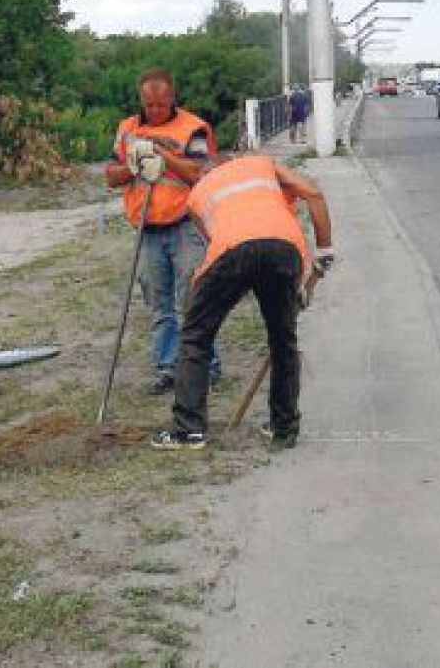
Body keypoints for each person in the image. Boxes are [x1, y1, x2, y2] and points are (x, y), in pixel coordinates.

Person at [151, 154, 334, 451]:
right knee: (283, 340)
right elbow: (313, 193)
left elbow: (219, 244)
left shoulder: (197, 195)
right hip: (283, 248)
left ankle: (189, 430)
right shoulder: (261, 164)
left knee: (197, 336)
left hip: (232, 251)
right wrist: (325, 252)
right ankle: (284, 428)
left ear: (206, 173)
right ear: (232, 161)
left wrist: (237, 282)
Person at [106, 68, 217, 394]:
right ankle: (168, 367)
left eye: (161, 104)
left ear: (172, 99)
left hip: (185, 225)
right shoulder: (127, 129)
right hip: (147, 228)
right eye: (149, 105)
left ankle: (206, 365)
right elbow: (110, 176)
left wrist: (163, 156)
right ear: (141, 100)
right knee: (159, 302)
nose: (155, 111)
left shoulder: (192, 128)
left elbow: (199, 174)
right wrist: (132, 166)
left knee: (195, 298)